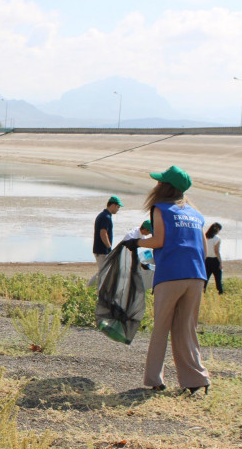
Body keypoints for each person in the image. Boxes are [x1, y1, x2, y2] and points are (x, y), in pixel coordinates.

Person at [136, 165, 211, 394]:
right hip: (197, 275)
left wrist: (136, 243)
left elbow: (158, 240)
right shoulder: (196, 214)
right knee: (186, 328)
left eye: (160, 182)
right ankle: (197, 379)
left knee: (161, 327)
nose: (156, 185)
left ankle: (154, 379)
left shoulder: (161, 209)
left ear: (166, 188)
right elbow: (204, 250)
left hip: (170, 275)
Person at [89, 196, 122, 285]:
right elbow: (103, 233)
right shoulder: (106, 217)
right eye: (118, 207)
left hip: (99, 249)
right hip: (102, 250)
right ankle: (89, 288)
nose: (118, 209)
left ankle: (90, 288)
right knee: (104, 272)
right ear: (113, 205)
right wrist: (109, 247)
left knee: (104, 271)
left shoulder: (102, 215)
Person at [203, 222, 223, 294]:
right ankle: (220, 293)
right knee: (218, 280)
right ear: (217, 230)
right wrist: (220, 262)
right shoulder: (217, 238)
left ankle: (203, 293)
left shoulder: (205, 237)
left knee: (205, 279)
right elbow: (217, 251)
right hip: (214, 260)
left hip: (206, 260)